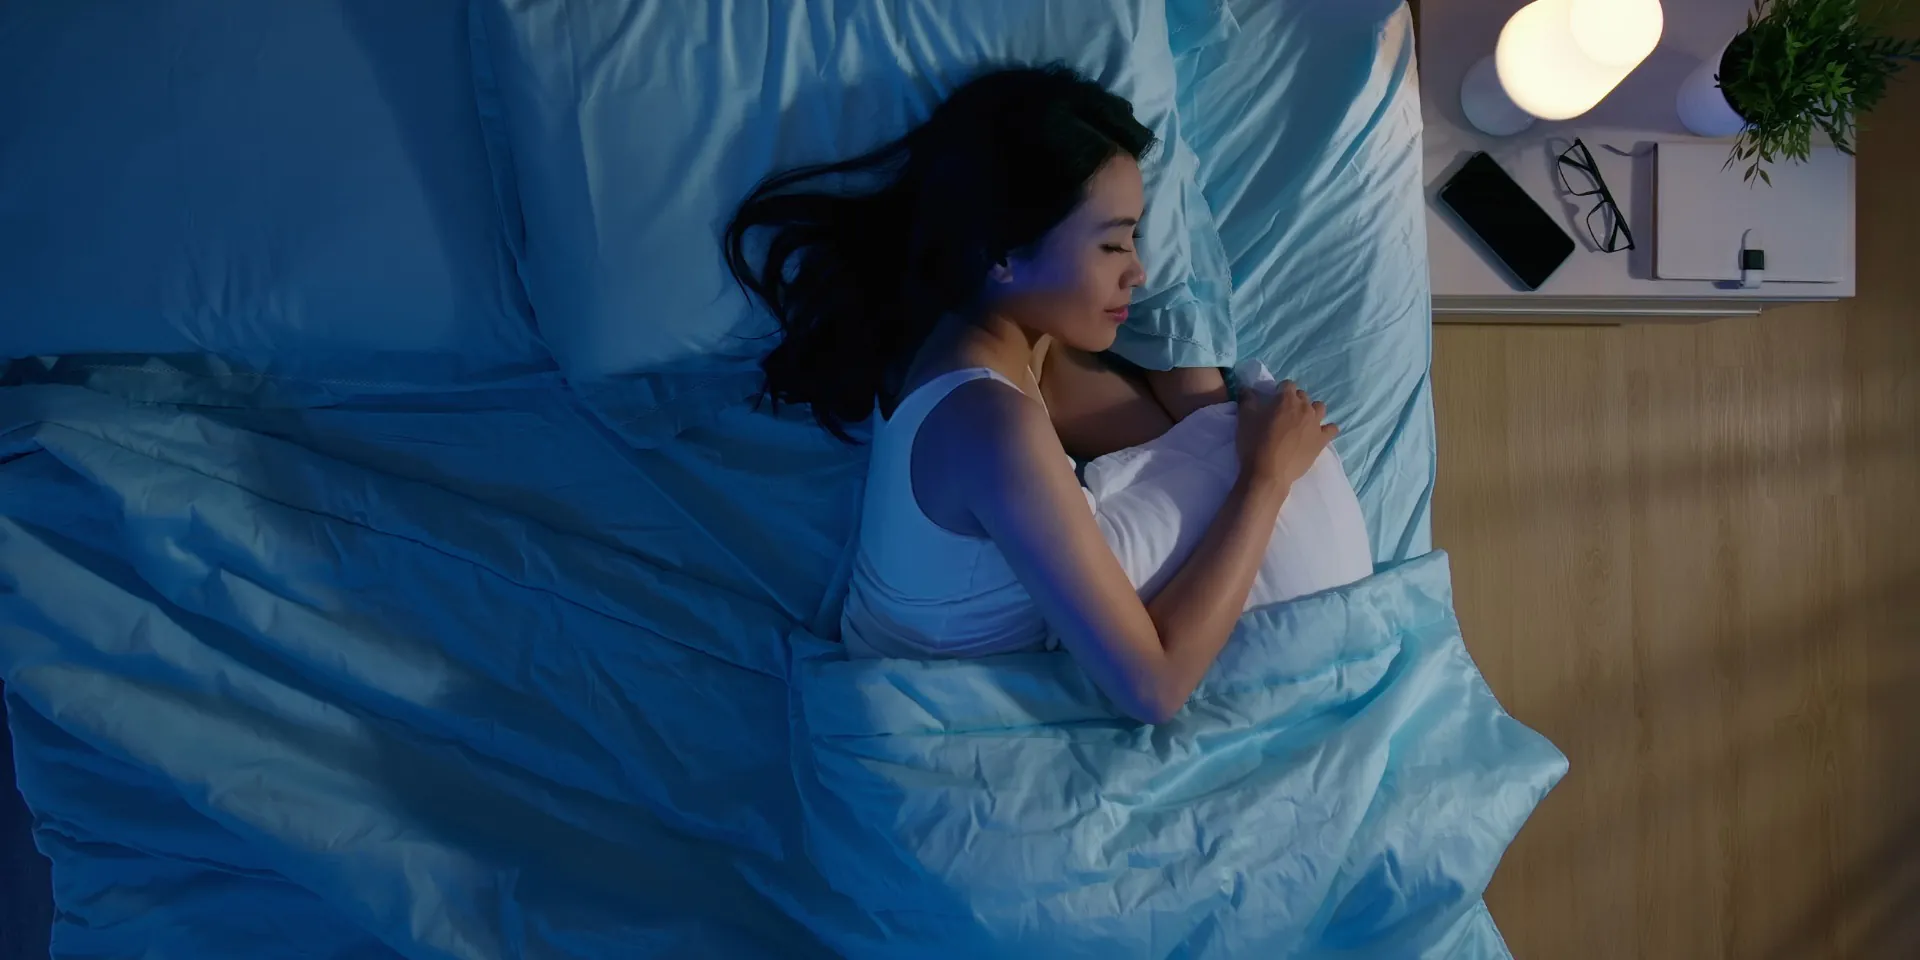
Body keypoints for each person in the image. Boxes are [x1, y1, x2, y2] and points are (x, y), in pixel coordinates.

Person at [724, 65, 1338, 724]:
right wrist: (1267, 479)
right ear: (1004, 253)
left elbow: (1182, 421)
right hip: (940, 725)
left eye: (1134, 238)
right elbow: (1155, 690)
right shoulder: (990, 422)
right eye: (1113, 244)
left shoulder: (975, 342)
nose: (1139, 271)